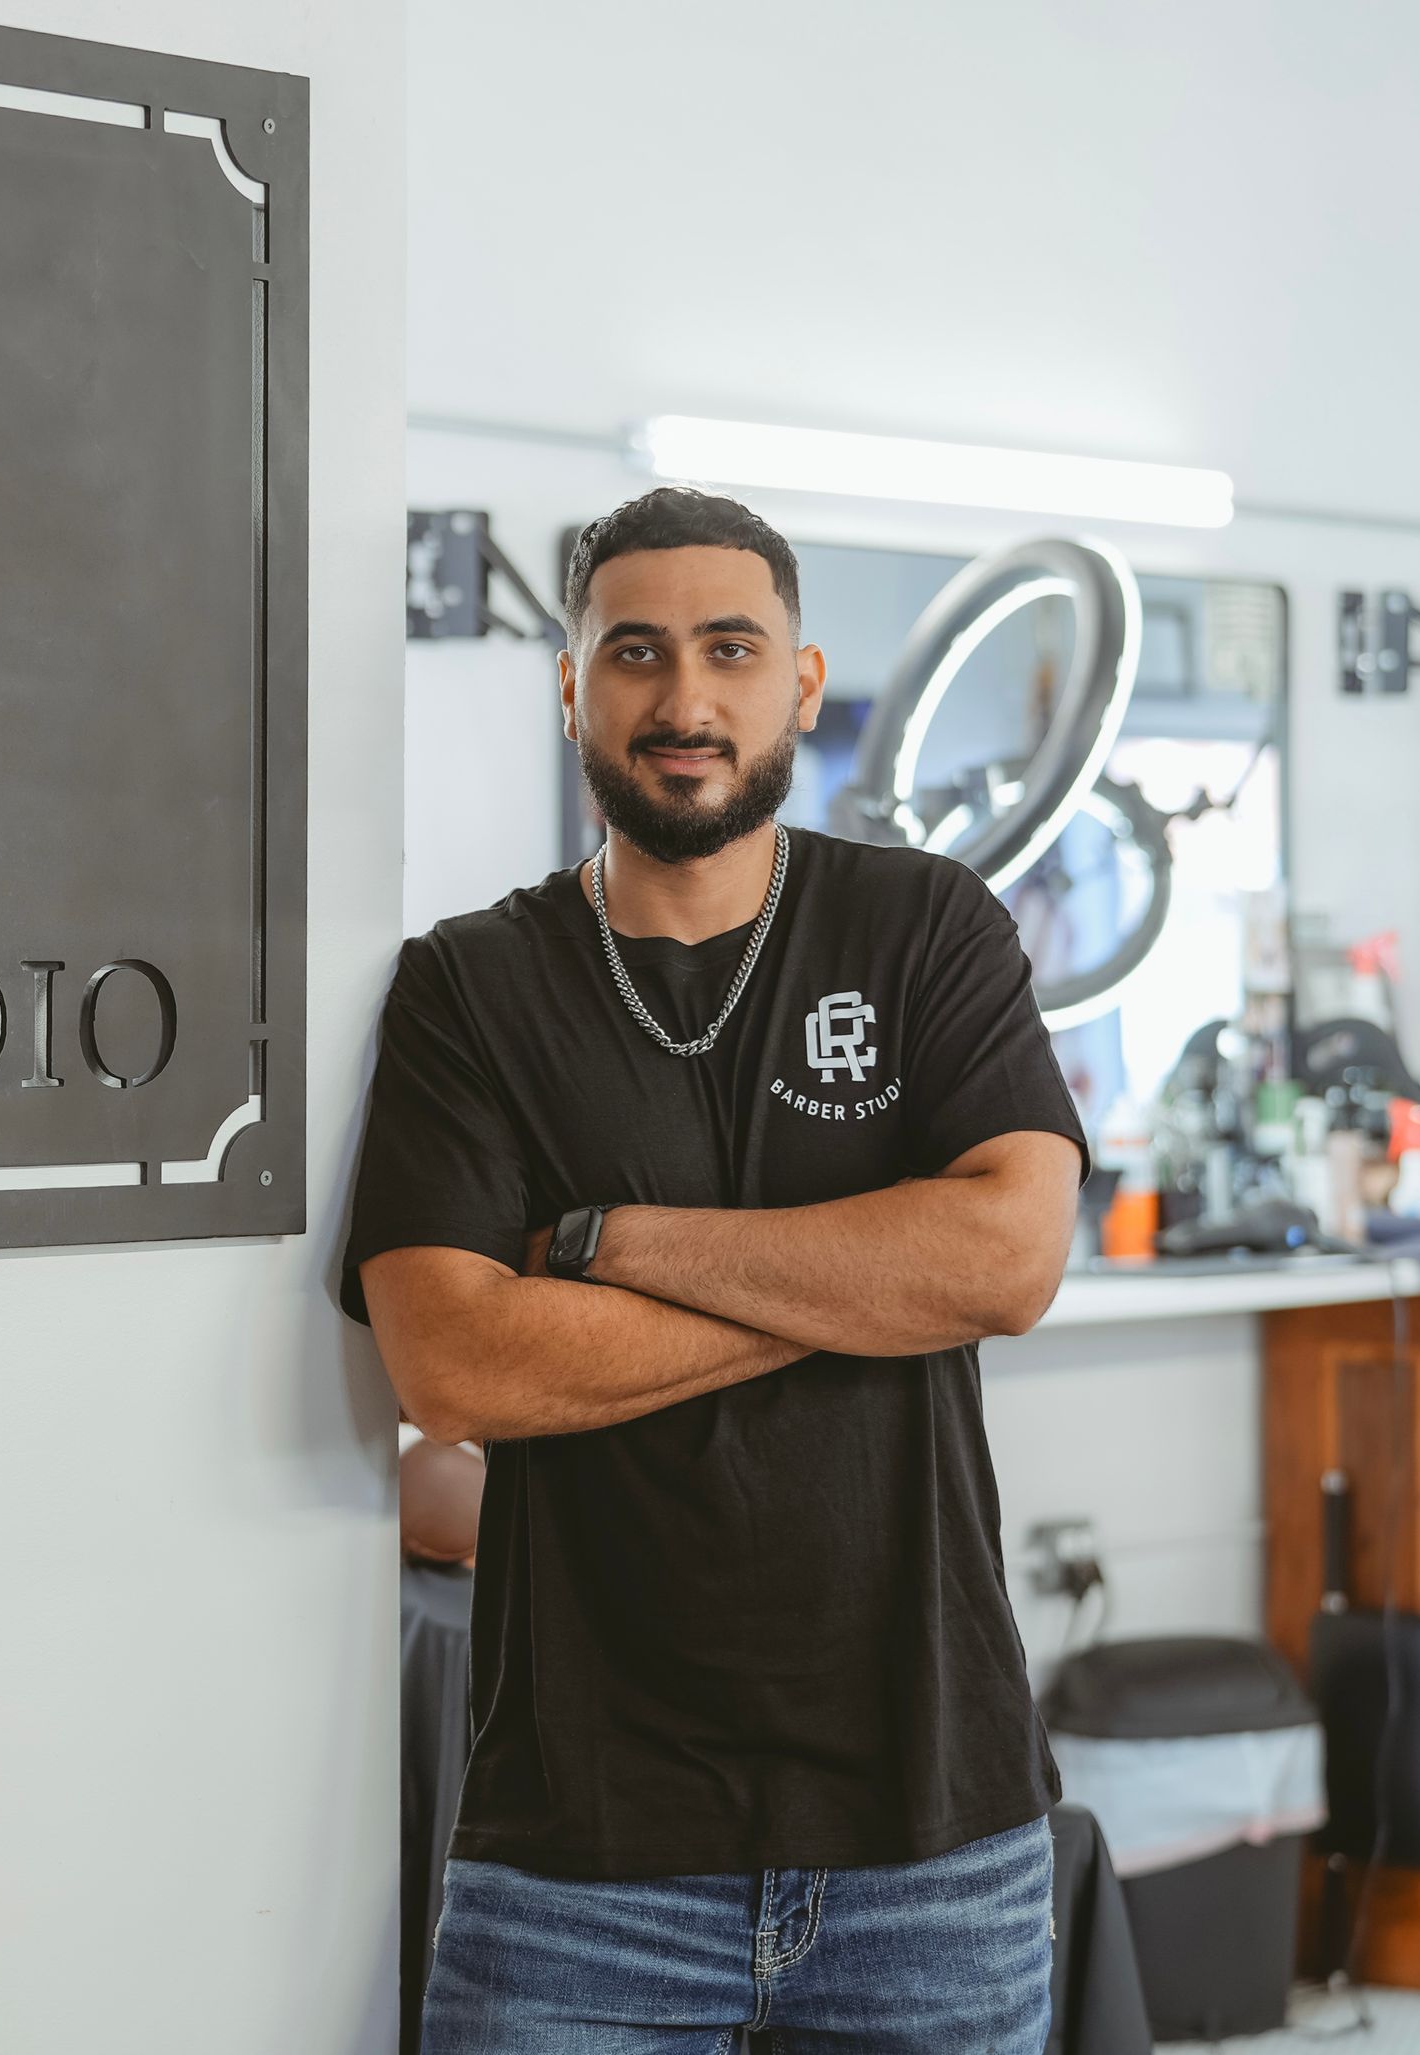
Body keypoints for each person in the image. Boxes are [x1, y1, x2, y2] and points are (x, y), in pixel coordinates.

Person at [342, 485, 1090, 2054]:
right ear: (571, 688)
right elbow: (460, 1368)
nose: (684, 699)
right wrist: (869, 1283)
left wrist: (615, 1249)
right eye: (634, 654)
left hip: (933, 1840)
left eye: (731, 649)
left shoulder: (924, 929)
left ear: (800, 685)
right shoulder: (470, 986)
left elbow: (1009, 1258)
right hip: (578, 1868)